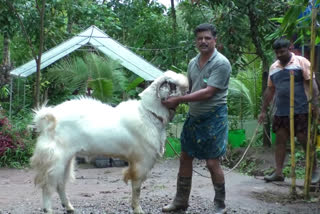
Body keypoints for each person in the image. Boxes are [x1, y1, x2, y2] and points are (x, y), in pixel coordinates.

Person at [161, 23, 231, 214]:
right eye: (200, 38)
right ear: (196, 41)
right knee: (185, 157)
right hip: (194, 116)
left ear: (215, 40)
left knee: (212, 162)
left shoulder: (221, 63)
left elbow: (208, 93)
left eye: (208, 38)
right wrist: (172, 100)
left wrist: (180, 99)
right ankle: (180, 201)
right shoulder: (193, 63)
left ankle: (220, 204)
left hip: (214, 116)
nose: (203, 41)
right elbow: (191, 90)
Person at [258, 37, 320, 183]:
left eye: (282, 52)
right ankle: (278, 173)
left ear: (290, 48)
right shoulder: (274, 68)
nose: (279, 55)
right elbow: (269, 90)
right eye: (277, 52)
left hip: (301, 108)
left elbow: (313, 86)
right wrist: (263, 110)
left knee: (304, 139)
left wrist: (316, 106)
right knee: (280, 140)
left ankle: (314, 171)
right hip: (281, 110)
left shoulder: (301, 62)